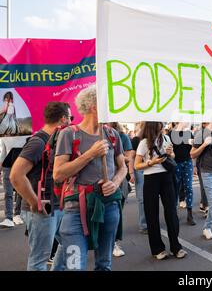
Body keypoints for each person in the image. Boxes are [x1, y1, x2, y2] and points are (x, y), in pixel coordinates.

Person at [53, 86, 127, 271]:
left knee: (104, 264)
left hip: (108, 207)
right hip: (75, 211)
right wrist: (90, 154)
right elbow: (59, 174)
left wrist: (115, 183)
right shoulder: (69, 134)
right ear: (94, 106)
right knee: (73, 266)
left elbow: (123, 167)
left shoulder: (112, 134)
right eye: (108, 102)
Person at [10, 102, 72, 271]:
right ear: (63, 119)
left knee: (69, 245)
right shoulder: (38, 142)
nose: (71, 123)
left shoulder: (55, 141)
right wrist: (34, 202)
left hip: (57, 206)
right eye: (70, 118)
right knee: (39, 260)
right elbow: (15, 175)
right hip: (43, 208)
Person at [134, 122, 187, 260]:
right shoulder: (144, 143)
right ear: (153, 125)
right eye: (159, 123)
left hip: (167, 177)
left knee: (171, 212)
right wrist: (151, 162)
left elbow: (173, 157)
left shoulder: (166, 138)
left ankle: (176, 247)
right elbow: (137, 165)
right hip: (151, 179)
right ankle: (158, 249)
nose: (163, 125)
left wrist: (170, 154)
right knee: (152, 214)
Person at [109, 122, 134, 258]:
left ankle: (113, 242)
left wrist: (112, 153)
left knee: (116, 212)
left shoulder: (121, 136)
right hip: (99, 180)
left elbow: (128, 158)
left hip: (118, 178)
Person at [170, 122, 196, 226]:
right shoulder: (171, 134)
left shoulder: (189, 133)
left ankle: (190, 214)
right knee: (176, 187)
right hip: (176, 163)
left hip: (187, 162)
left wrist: (193, 143)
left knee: (189, 188)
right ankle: (174, 214)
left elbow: (194, 150)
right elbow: (169, 148)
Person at [0, 136, 27, 227]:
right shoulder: (4, 135)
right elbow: (3, 154)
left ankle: (17, 214)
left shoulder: (28, 132)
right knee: (8, 192)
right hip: (8, 165)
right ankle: (8, 218)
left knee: (21, 191)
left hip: (22, 164)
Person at [131, 122, 147, 234]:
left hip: (150, 169)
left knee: (150, 197)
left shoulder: (151, 138)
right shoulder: (136, 140)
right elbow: (131, 157)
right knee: (142, 198)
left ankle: (148, 222)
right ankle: (143, 224)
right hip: (140, 170)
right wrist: (131, 173)